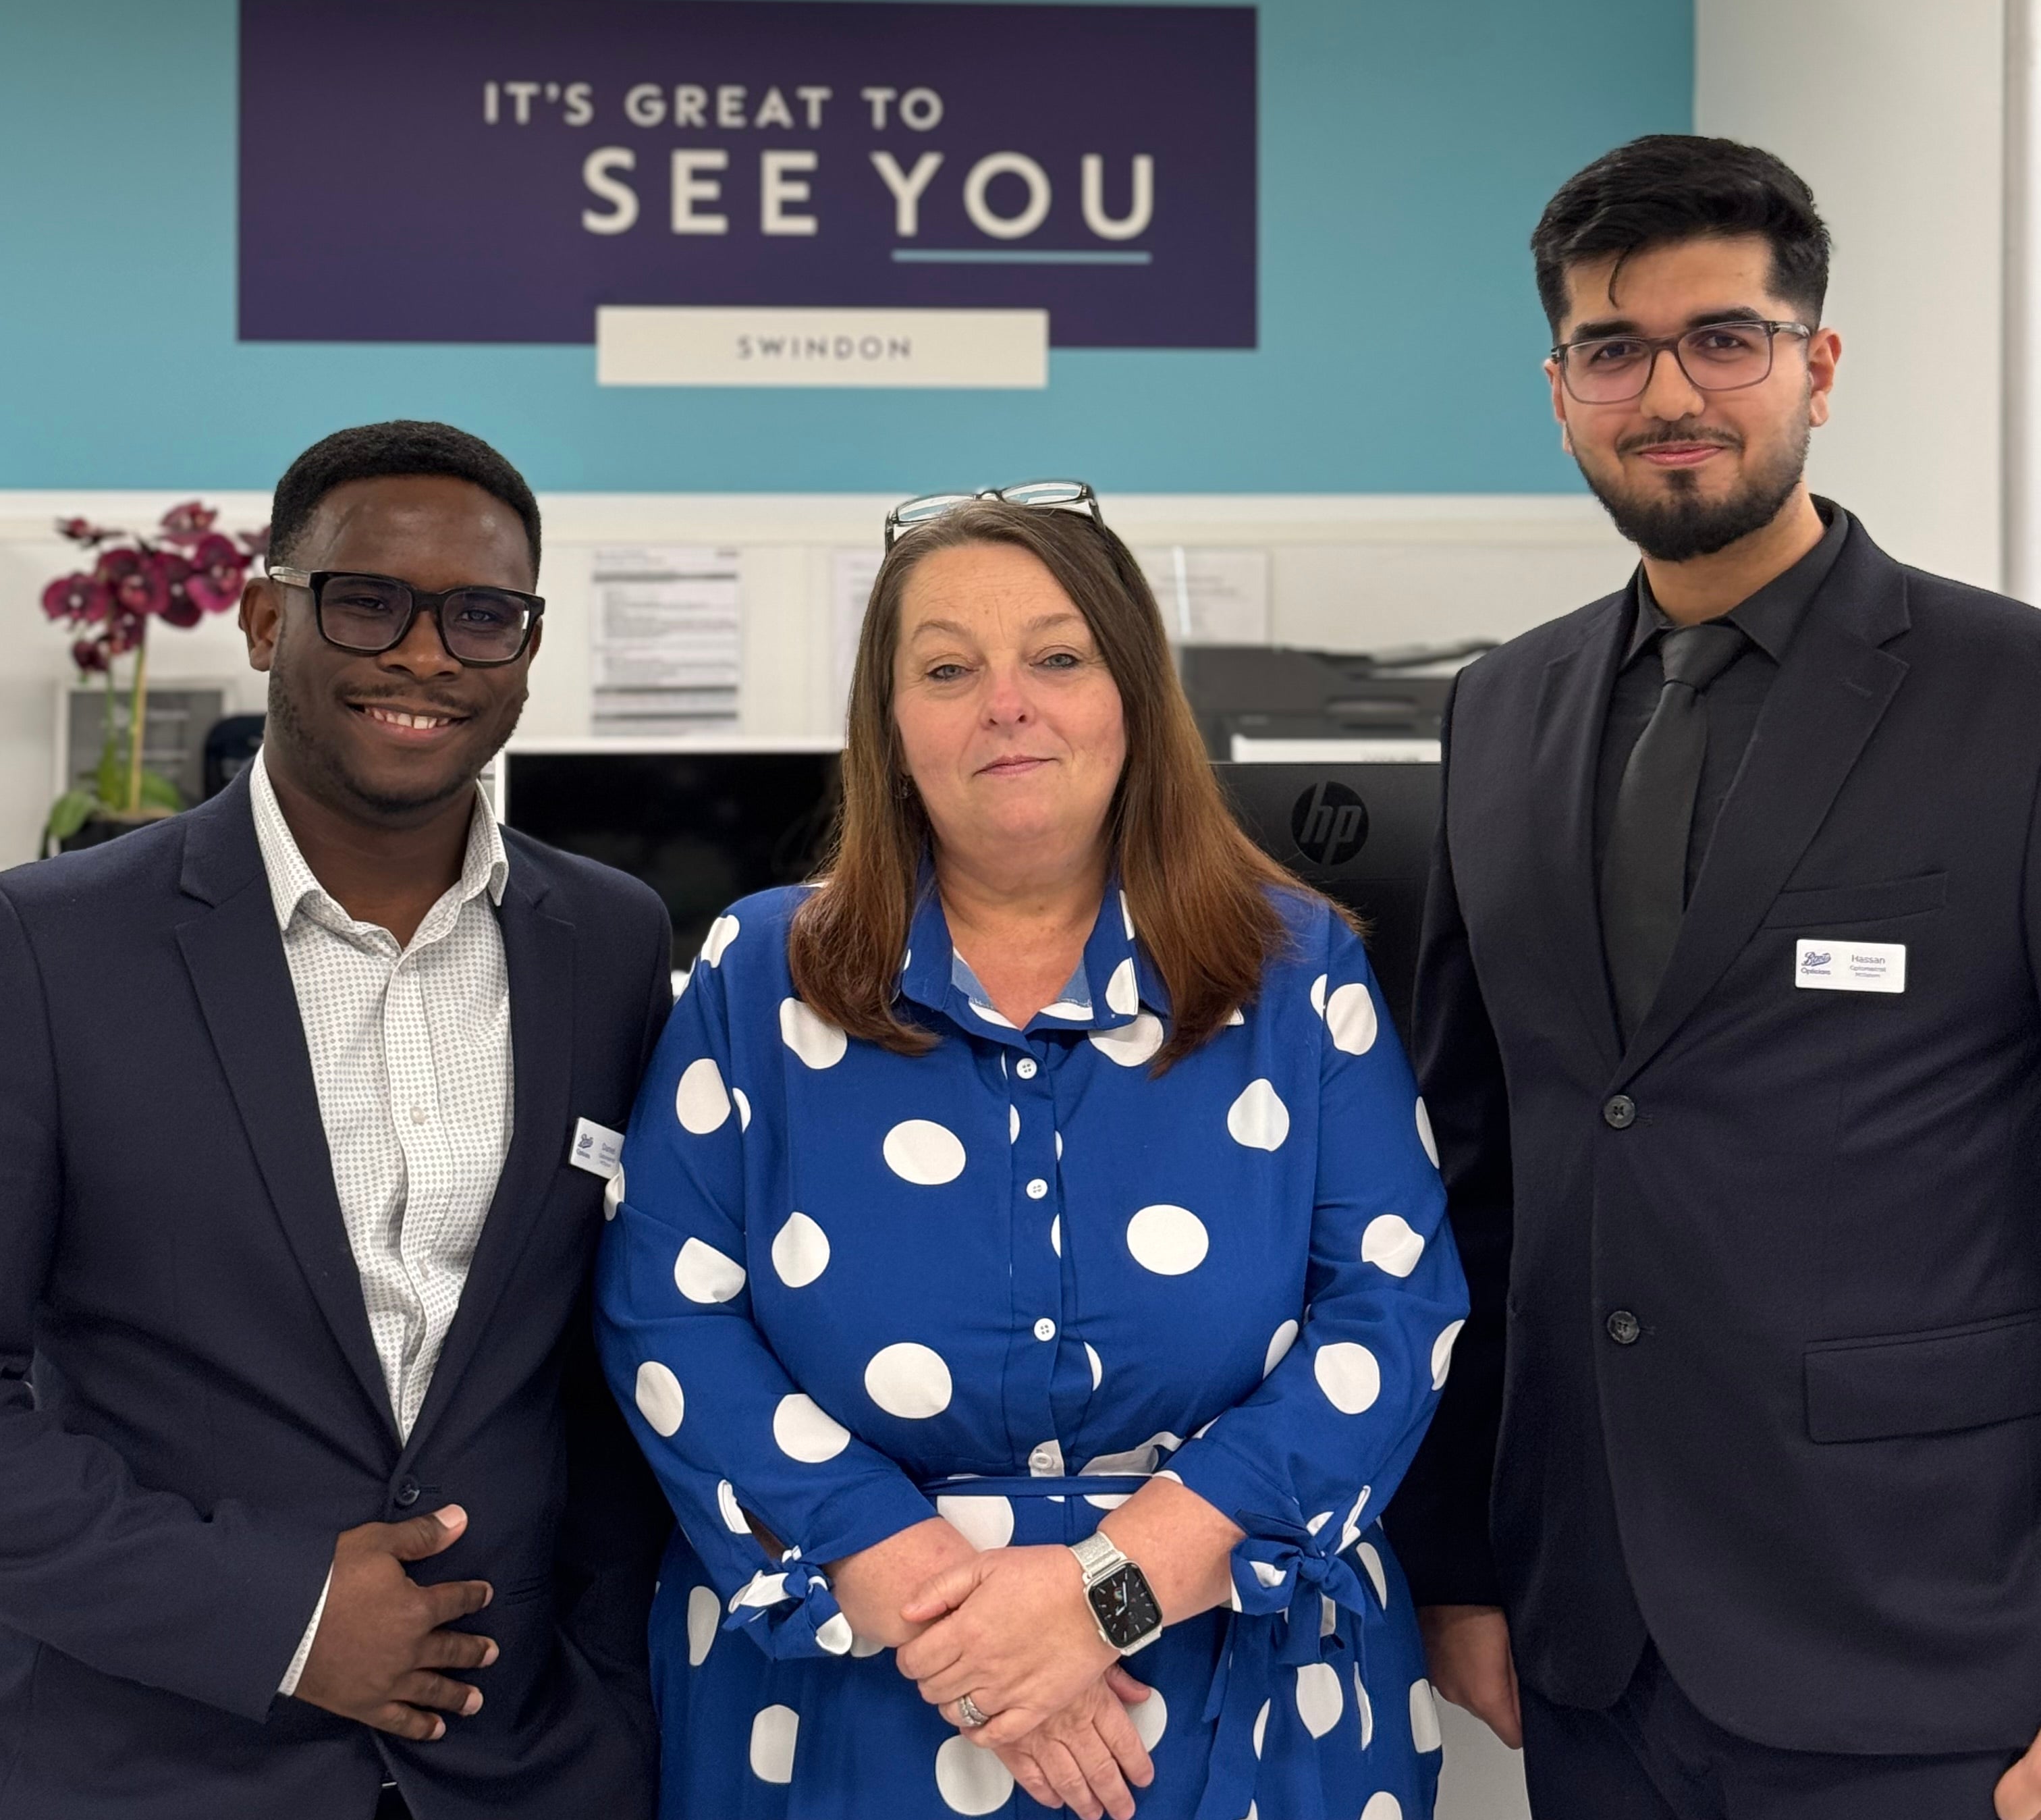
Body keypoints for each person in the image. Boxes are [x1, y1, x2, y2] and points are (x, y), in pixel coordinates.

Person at [597, 482, 1467, 1820]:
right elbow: (667, 1315)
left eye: (1057, 658)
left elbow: (1394, 1315)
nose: (1008, 702)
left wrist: (1103, 1598)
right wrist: (943, 1613)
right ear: (891, 729)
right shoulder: (759, 973)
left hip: (1234, 1671)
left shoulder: (1298, 972)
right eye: (947, 668)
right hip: (851, 1684)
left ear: (1132, 699)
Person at [1389, 134, 2041, 1820]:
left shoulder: (2013, 700)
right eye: (1613, 349)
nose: (1668, 389)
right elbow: (1479, 1171)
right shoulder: (1499, 714)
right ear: (1559, 390)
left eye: (1724, 338)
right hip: (1594, 1642)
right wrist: (1459, 1557)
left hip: (1928, 1647)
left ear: (1816, 366)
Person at [0, 419, 674, 1820]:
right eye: (368, 601)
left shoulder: (611, 945)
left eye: (483, 616)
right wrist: (282, 1615)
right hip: (159, 1756)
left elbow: (611, 1358)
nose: (426, 655)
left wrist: (609, 1689)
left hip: (529, 1764)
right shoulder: (50, 947)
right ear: (264, 619)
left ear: (527, 652)